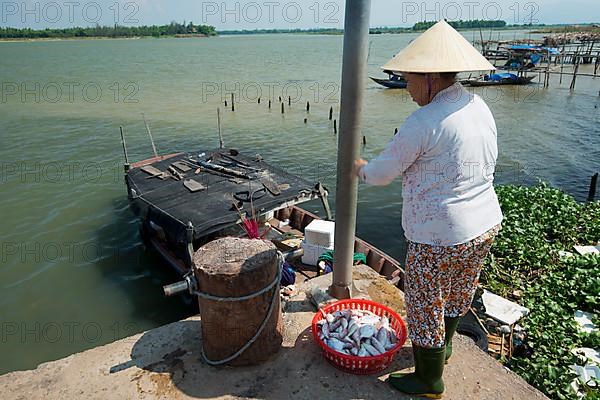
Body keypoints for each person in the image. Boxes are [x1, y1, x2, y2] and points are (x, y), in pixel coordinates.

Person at [354, 20, 503, 399]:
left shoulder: (423, 121)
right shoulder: (477, 104)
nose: (405, 88)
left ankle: (428, 380)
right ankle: (446, 347)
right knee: (457, 290)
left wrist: (360, 169)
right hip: (484, 222)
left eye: (408, 79)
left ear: (431, 78)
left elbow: (383, 173)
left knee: (423, 303)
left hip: (439, 233)